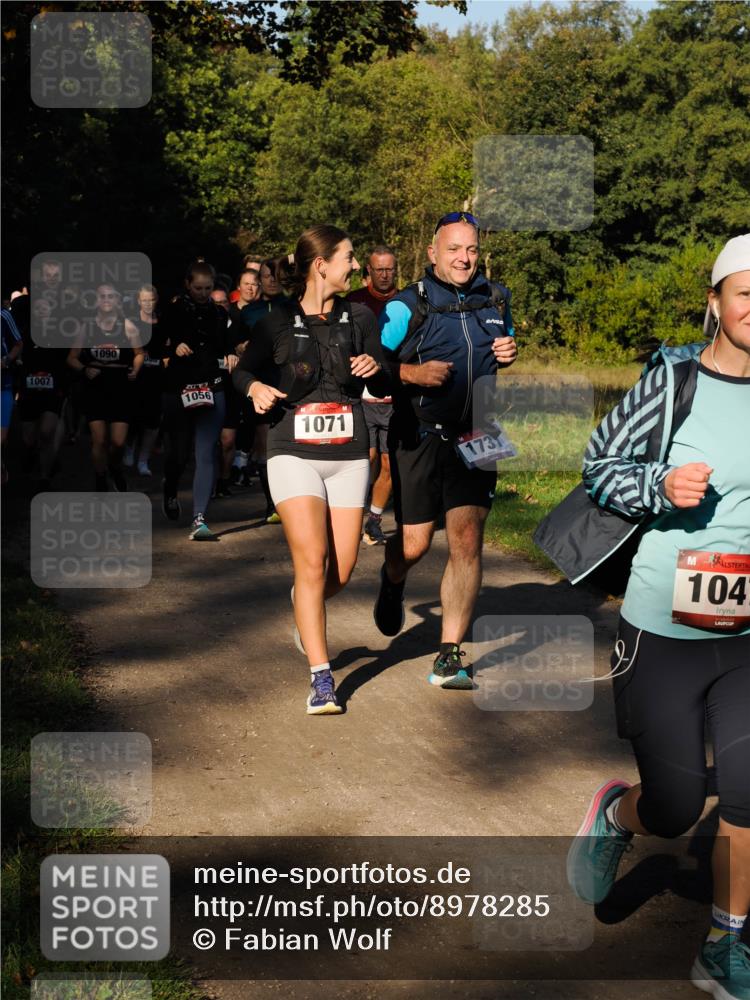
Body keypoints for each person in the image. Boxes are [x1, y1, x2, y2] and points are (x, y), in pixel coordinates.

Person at [540, 235, 749, 999]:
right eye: (744, 292)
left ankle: (726, 946)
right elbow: (600, 468)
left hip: (749, 636)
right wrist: (661, 484)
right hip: (663, 623)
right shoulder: (674, 380)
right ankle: (618, 817)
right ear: (717, 302)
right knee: (677, 805)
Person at [233, 225, 389, 715]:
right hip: (291, 450)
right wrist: (253, 389)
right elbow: (242, 369)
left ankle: (304, 600)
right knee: (311, 558)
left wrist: (373, 368)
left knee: (337, 571)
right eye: (348, 257)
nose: (356, 266)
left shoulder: (359, 316)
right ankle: (322, 679)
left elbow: (383, 371)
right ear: (322, 264)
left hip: (347, 455)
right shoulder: (276, 320)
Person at [372, 211, 517, 688]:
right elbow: (372, 364)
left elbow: (501, 347)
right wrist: (413, 374)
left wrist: (510, 353)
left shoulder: (497, 297)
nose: (464, 258)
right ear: (432, 253)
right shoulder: (405, 305)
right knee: (414, 544)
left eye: (472, 249)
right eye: (454, 249)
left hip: (478, 432)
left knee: (467, 540)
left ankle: (449, 655)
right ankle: (393, 578)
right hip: (422, 434)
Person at [160, 260, 237, 539]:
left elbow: (229, 341)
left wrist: (231, 353)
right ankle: (170, 487)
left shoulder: (218, 313)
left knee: (206, 452)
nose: (203, 293)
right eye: (197, 288)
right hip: (179, 388)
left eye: (207, 288)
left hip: (211, 386)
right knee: (179, 454)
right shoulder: (173, 309)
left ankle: (199, 518)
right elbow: (155, 339)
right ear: (187, 285)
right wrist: (172, 344)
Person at [67, 284, 144, 491]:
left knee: (118, 442)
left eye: (111, 296)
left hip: (120, 384)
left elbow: (139, 353)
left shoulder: (127, 326)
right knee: (99, 440)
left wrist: (135, 370)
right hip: (96, 384)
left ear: (118, 300)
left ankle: (114, 466)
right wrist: (84, 369)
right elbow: (72, 358)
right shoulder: (87, 327)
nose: (107, 300)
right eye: (103, 297)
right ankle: (100, 478)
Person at [347, 246, 399, 545]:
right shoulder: (354, 301)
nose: (384, 274)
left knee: (389, 463)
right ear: (368, 270)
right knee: (364, 460)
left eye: (389, 269)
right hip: (361, 395)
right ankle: (351, 517)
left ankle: (374, 521)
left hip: (393, 397)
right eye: (378, 269)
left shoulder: (406, 302)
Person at [125, 284, 163, 476]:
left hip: (157, 377)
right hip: (136, 377)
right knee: (132, 418)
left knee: (153, 422)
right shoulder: (130, 323)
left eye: (152, 299)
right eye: (144, 300)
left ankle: (143, 460)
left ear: (157, 300)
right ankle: (129, 448)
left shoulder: (163, 322)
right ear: (139, 301)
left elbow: (169, 347)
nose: (148, 303)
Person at [1, 306, 23, 484]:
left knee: (1, 439)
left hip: (3, 385)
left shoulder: (4, 315)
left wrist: (6, 360)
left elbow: (18, 343)